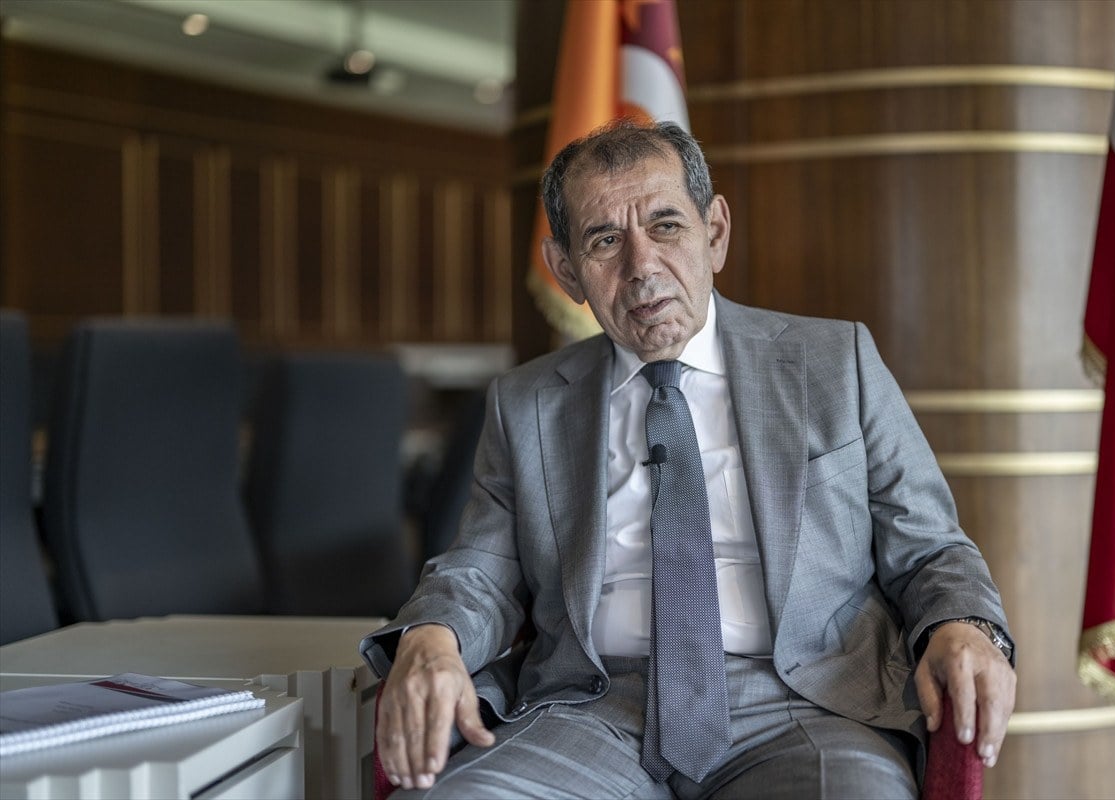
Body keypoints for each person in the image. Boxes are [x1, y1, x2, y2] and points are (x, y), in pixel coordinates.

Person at [362, 120, 1016, 799]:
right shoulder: (526, 403)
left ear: (715, 232)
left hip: (806, 705)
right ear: (566, 270)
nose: (641, 266)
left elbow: (931, 547)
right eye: (605, 240)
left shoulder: (835, 364)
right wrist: (432, 635)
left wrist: (964, 625)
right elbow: (480, 571)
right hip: (591, 710)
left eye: (666, 226)